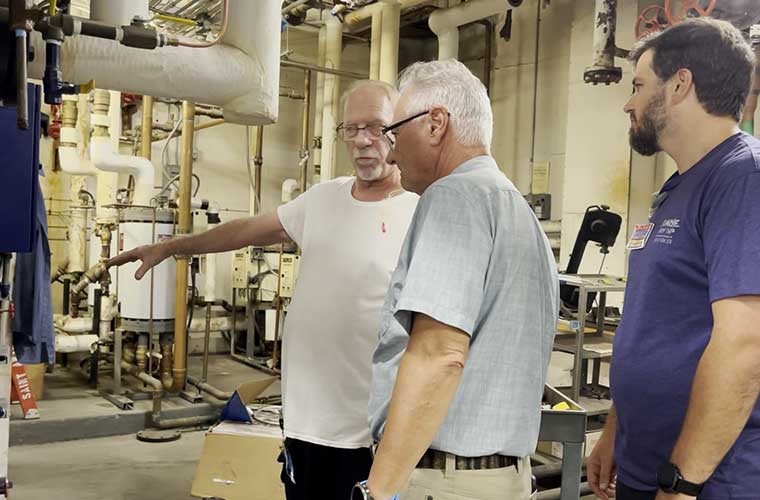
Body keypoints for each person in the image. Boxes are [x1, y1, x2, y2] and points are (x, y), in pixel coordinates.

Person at [108, 80, 418, 500]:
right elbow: (245, 230)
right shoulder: (322, 200)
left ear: (399, 129)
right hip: (305, 424)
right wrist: (170, 246)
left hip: (369, 432)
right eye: (352, 128)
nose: (363, 140)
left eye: (377, 127)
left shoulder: (417, 211)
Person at [352, 59, 558, 500]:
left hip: (446, 481)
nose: (389, 152)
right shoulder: (515, 209)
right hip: (503, 479)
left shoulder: (454, 196)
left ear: (435, 124)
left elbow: (439, 355)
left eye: (395, 133)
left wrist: (378, 490)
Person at [587, 18, 760, 500]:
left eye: (639, 86)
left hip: (710, 481)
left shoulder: (744, 177)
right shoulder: (676, 188)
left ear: (680, 84)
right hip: (646, 465)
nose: (629, 102)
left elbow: (746, 343)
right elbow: (654, 323)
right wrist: (615, 433)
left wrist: (682, 482)